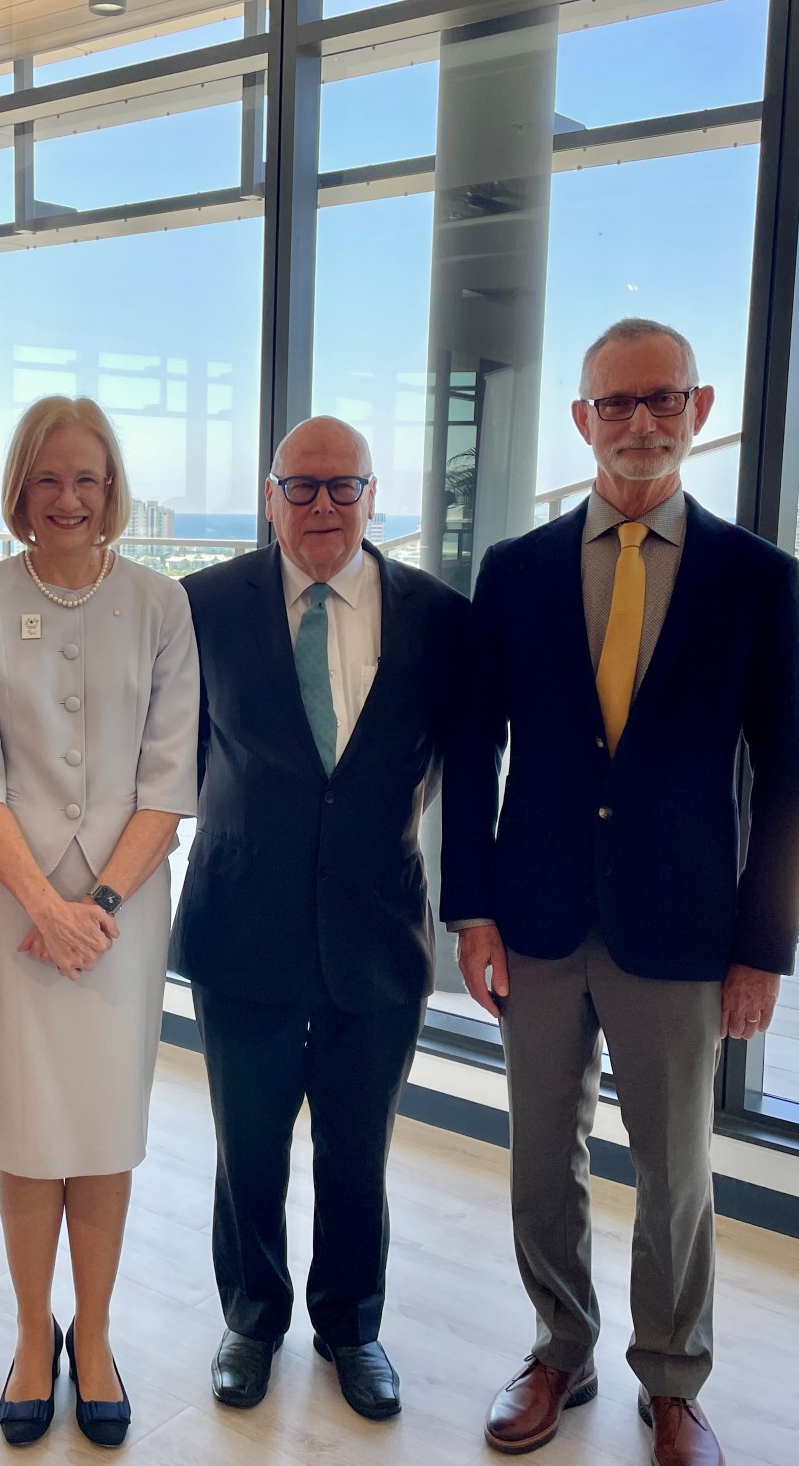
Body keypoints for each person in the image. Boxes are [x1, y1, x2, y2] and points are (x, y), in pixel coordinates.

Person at [442, 319, 799, 1466]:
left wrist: (763, 946)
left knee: (675, 1167)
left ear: (699, 410)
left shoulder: (756, 579)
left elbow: (791, 774)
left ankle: (672, 1381)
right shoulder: (514, 573)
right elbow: (473, 754)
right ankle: (561, 1347)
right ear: (582, 420)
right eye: (617, 404)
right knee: (540, 1148)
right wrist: (471, 907)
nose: (641, 422)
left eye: (663, 400)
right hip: (541, 915)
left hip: (684, 927)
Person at [172, 416, 468, 1422]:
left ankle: (352, 1326)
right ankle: (252, 1319)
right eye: (300, 487)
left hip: (378, 928)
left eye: (343, 488)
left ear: (372, 497)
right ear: (269, 495)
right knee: (245, 1146)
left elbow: (455, 775)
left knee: (358, 1148)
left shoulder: (437, 614)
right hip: (240, 920)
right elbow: (160, 757)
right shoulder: (201, 605)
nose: (322, 508)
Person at [0, 395, 199, 1450]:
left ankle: (91, 1336)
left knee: (100, 1134)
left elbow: (169, 777)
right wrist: (44, 905)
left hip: (123, 913)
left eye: (86, 478)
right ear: (19, 489)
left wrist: (93, 907)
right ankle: (26, 1337)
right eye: (46, 479)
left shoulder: (158, 603)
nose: (67, 498)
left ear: (111, 489)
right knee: (25, 1135)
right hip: (8, 909)